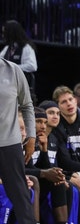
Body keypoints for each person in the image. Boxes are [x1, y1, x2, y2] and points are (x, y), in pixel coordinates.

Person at [0, 57, 36, 224]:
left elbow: (27, 105)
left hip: (10, 144)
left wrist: (31, 136)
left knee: (21, 198)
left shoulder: (13, 70)